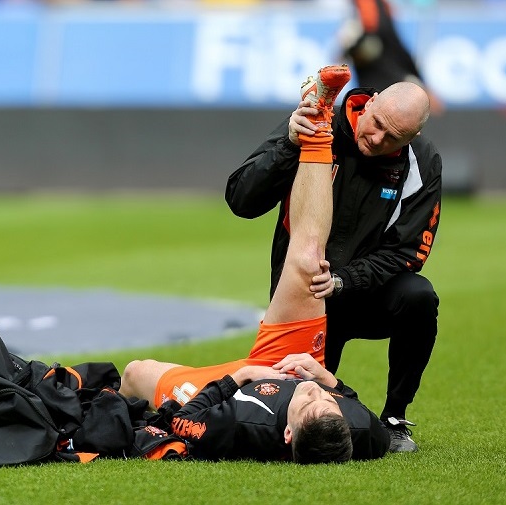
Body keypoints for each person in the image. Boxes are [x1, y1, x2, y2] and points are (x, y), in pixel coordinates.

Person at [120, 65, 390, 464]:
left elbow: (182, 424)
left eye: (307, 403)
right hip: (287, 356)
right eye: (329, 403)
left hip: (228, 390)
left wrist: (239, 378)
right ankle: (319, 116)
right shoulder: (360, 432)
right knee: (309, 259)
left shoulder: (244, 426)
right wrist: (327, 379)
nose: (314, 392)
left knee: (135, 373)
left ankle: (108, 404)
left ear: (286, 431)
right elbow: (363, 417)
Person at [225, 67, 441, 453]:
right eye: (375, 123)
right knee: (294, 416)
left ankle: (394, 419)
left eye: (392, 136)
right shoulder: (316, 122)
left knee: (419, 297)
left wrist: (344, 280)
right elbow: (241, 199)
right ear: (370, 101)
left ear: (414, 136)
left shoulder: (421, 162)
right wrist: (290, 144)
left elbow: (409, 251)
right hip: (306, 294)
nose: (375, 138)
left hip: (362, 291)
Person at [338, 0, 444, 114]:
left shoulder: (371, 7)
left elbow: (383, 43)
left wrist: (421, 84)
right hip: (376, 89)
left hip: (390, 86)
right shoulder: (366, 9)